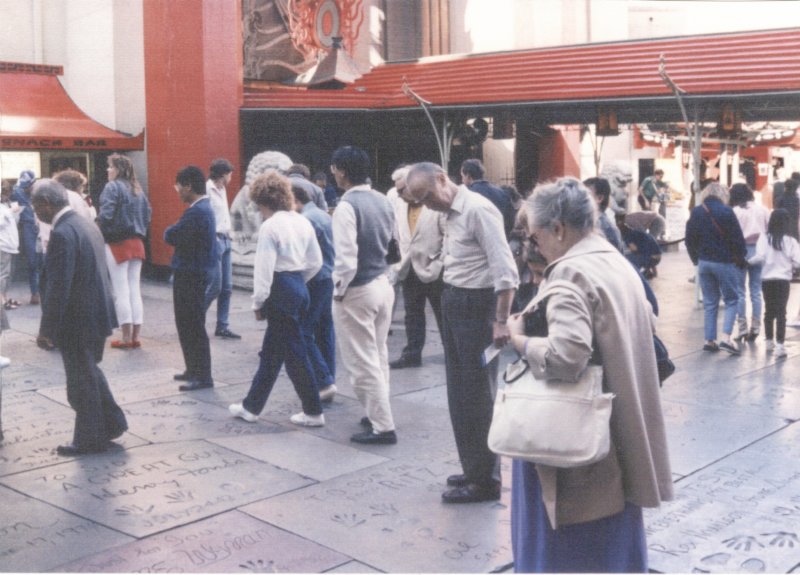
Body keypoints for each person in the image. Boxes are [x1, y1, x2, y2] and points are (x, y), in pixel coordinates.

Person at [507, 176, 673, 572]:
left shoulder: (569, 273)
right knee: (613, 533)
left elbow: (566, 356)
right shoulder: (614, 259)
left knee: (567, 539)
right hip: (622, 426)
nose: (535, 247)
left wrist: (520, 341)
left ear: (558, 229)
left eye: (536, 236)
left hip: (577, 436)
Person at [405, 162, 518, 503]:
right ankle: (474, 468)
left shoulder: (478, 210)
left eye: (428, 196)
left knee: (477, 396)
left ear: (443, 179)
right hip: (454, 299)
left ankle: (486, 481)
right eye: (420, 201)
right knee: (460, 395)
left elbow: (506, 271)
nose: (427, 205)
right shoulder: (448, 212)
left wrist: (500, 319)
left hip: (477, 305)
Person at [31, 179, 127, 455]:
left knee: (80, 381)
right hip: (96, 313)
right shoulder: (86, 224)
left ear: (46, 204)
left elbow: (59, 286)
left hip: (78, 318)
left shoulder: (63, 233)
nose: (35, 212)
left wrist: (46, 330)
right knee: (89, 371)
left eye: (36, 206)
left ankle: (88, 439)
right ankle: (112, 423)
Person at [228, 170, 325, 426]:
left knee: (294, 354)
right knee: (273, 353)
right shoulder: (302, 221)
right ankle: (251, 406)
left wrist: (258, 302)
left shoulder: (270, 226)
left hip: (280, 289)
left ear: (264, 201)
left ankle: (313, 411)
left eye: (258, 206)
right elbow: (316, 262)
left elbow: (264, 269)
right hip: (298, 286)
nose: (259, 211)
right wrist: (298, 282)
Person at [330, 146, 397, 445]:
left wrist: (338, 292)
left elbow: (345, 261)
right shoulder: (383, 200)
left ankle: (382, 426)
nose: (333, 173)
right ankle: (378, 413)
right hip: (382, 284)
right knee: (378, 354)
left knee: (361, 363)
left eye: (334, 168)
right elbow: (395, 246)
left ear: (342, 171)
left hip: (358, 289)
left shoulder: (346, 206)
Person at [165, 166, 218, 391]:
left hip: (191, 275)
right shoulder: (202, 209)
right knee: (187, 324)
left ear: (188, 186)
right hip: (194, 273)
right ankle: (193, 369)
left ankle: (202, 375)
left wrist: (171, 230)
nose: (177, 191)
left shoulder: (196, 212)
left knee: (192, 325)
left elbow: (172, 235)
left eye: (178, 187)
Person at [388, 166, 446, 369]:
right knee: (412, 314)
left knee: (442, 314)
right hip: (409, 268)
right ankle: (412, 354)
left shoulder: (435, 205)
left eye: (401, 190)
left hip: (434, 270)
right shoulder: (400, 205)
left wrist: (439, 263)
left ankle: (451, 352)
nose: (398, 194)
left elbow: (448, 236)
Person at [96, 155, 152, 349]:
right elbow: (148, 214)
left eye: (110, 167)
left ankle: (126, 338)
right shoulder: (137, 189)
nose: (108, 170)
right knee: (134, 289)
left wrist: (96, 227)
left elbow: (106, 215)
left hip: (117, 243)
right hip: (137, 242)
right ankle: (135, 337)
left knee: (121, 291)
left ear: (118, 169)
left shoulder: (112, 187)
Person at [685, 182, 747, 355]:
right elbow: (738, 239)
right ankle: (726, 338)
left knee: (710, 302)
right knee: (731, 299)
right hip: (724, 261)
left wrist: (695, 260)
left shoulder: (696, 211)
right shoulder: (727, 211)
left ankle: (709, 340)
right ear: (722, 195)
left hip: (704, 262)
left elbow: (689, 239)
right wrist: (741, 257)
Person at [292, 180, 337, 402]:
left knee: (304, 332)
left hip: (315, 279)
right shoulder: (323, 215)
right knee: (325, 329)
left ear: (295, 200)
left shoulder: (305, 220)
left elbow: (304, 256)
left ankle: (323, 380)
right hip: (328, 277)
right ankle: (329, 377)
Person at [749, 209, 800, 358]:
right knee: (781, 312)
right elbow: (798, 261)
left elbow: (760, 257)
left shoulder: (764, 238)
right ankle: (780, 346)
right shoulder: (790, 241)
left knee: (769, 311)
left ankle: (769, 341)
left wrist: (747, 262)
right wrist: (790, 265)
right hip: (783, 280)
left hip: (767, 280)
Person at [205, 158, 241, 340]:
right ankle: (194, 318)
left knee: (227, 287)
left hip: (226, 239)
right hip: (215, 239)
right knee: (215, 286)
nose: (231, 178)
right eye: (230, 174)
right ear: (223, 175)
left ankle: (222, 325)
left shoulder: (222, 189)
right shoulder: (207, 189)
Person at [729, 182, 770, 342]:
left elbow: (732, 234)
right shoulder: (763, 210)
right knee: (756, 291)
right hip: (759, 249)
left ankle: (742, 329)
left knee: (739, 291)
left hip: (740, 250)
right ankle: (756, 327)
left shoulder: (735, 211)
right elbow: (768, 231)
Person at [460, 159, 516, 238]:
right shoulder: (501, 192)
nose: (462, 180)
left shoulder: (467, 195)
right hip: (502, 238)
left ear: (468, 176)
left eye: (462, 176)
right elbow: (511, 220)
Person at [10, 170, 41, 304]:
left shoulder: (41, 191)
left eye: (28, 186)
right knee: (32, 261)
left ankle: (46, 290)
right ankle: (35, 292)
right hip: (28, 227)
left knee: (46, 259)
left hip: (43, 225)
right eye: (24, 186)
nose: (26, 189)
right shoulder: (17, 192)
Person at [617, 214, 662, 279]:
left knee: (628, 258)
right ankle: (648, 272)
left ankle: (635, 276)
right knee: (639, 253)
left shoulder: (628, 237)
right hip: (657, 257)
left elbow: (634, 249)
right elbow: (648, 248)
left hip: (652, 258)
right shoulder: (637, 232)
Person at [584, 177, 623, 252]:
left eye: (585, 194)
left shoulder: (606, 228)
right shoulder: (585, 223)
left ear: (599, 198)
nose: (580, 198)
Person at [0, 183, 20, 312]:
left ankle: (4, 298)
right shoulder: (4, 208)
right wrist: (10, 211)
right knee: (3, 274)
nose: (7, 196)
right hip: (3, 244)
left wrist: (14, 212)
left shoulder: (5, 206)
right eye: (5, 193)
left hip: (9, 244)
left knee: (7, 274)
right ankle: (2, 301)